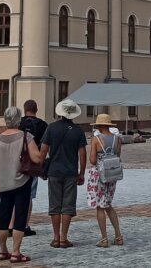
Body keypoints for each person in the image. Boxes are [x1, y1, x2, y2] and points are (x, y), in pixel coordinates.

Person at [0, 106, 43, 263]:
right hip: (22, 182)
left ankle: (2, 251)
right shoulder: (26, 136)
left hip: (4, 183)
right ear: (19, 120)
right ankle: (16, 252)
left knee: (4, 217)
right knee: (20, 216)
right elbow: (37, 158)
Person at [39, 98, 87, 249]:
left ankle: (55, 238)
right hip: (71, 172)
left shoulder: (51, 128)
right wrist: (82, 173)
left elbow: (43, 151)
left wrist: (41, 168)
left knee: (55, 205)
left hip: (54, 171)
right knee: (68, 206)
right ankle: (64, 238)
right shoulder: (79, 131)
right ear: (73, 115)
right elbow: (83, 154)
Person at [86, 113, 124, 248]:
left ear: (99, 125)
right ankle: (118, 236)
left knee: (100, 206)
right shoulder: (117, 139)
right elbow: (118, 155)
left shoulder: (96, 139)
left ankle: (104, 238)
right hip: (112, 173)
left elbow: (92, 160)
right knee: (108, 204)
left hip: (99, 174)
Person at [18, 99, 48, 237]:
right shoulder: (43, 125)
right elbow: (45, 147)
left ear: (24, 109)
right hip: (33, 164)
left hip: (17, 163)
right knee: (29, 195)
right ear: (37, 110)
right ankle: (24, 225)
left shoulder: (19, 123)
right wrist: (42, 164)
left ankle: (12, 225)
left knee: (15, 193)